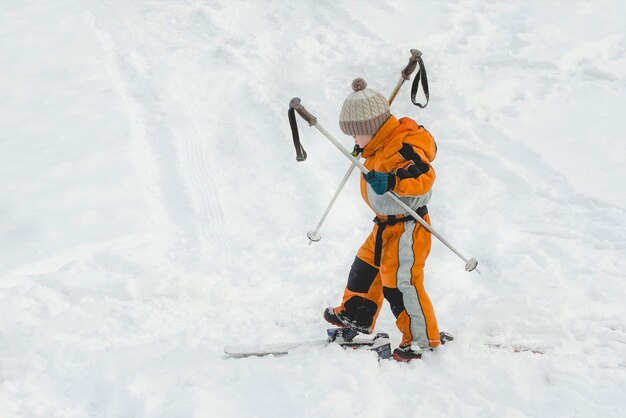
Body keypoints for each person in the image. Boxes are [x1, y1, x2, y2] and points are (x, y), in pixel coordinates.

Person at [323, 77, 441, 362]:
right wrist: (365, 151)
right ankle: (356, 315)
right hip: (385, 224)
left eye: (355, 135)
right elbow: (372, 150)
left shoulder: (401, 144)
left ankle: (421, 340)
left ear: (370, 129)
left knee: (401, 283)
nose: (354, 141)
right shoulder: (377, 145)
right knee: (365, 266)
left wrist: (393, 179)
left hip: (409, 227)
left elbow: (424, 175)